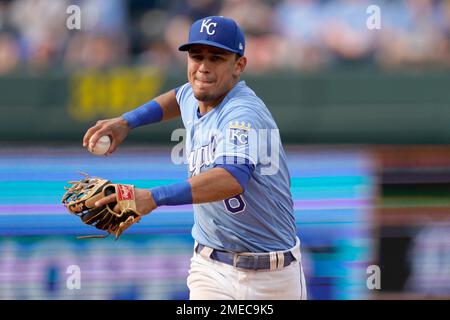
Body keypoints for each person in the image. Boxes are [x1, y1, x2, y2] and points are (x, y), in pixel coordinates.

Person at [83, 16, 307, 300]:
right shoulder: (195, 93)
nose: (203, 67)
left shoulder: (242, 112)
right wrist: (127, 122)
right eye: (196, 56)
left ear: (239, 66)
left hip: (273, 277)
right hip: (210, 268)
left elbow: (231, 178)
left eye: (216, 57)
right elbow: (178, 97)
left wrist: (153, 197)